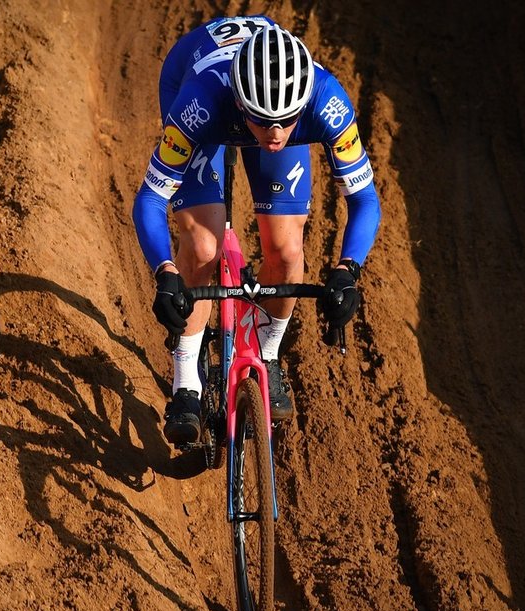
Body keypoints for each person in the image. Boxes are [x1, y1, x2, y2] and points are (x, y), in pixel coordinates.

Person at [132, 17, 381, 445]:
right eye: (264, 121)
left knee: (285, 251)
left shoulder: (327, 102)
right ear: (244, 105)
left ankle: (267, 352)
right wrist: (166, 272)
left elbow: (364, 200)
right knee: (204, 246)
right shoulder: (203, 100)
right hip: (197, 88)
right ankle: (185, 379)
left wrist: (348, 269)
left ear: (302, 106)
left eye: (286, 121)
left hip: (246, 109)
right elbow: (150, 200)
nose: (276, 133)